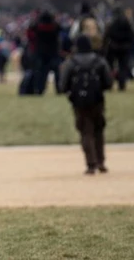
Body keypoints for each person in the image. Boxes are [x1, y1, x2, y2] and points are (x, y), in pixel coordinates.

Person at [58, 36, 113, 175]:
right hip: (97, 100)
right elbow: (108, 82)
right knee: (99, 130)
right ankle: (101, 161)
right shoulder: (99, 61)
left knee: (85, 131)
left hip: (79, 102)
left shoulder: (71, 63)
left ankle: (91, 163)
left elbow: (63, 85)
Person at [29, 11, 63, 95]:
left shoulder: (38, 27)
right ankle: (59, 89)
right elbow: (60, 28)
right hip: (53, 52)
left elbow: (31, 28)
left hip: (41, 53)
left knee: (41, 74)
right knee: (57, 73)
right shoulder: (54, 27)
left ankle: (40, 90)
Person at [104, 7, 134, 91]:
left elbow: (107, 35)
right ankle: (122, 85)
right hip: (124, 48)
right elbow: (132, 36)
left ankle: (110, 83)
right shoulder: (126, 22)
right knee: (123, 66)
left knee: (110, 66)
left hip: (113, 47)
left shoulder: (112, 22)